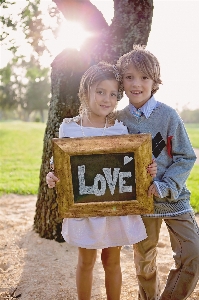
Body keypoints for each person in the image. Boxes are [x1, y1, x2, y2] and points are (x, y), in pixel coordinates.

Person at [46, 61, 157, 300]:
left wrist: (147, 168)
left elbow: (131, 165)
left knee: (112, 260)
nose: (106, 99)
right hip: (85, 207)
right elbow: (60, 165)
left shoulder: (119, 129)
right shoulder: (70, 129)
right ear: (86, 90)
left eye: (113, 94)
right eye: (100, 92)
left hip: (114, 208)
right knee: (86, 261)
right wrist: (52, 175)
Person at [116, 45, 199, 300]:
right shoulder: (118, 120)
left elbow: (186, 156)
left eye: (143, 77)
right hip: (141, 203)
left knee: (193, 253)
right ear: (121, 82)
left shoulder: (169, 116)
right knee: (144, 262)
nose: (136, 84)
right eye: (129, 77)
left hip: (173, 199)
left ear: (155, 81)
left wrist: (166, 183)